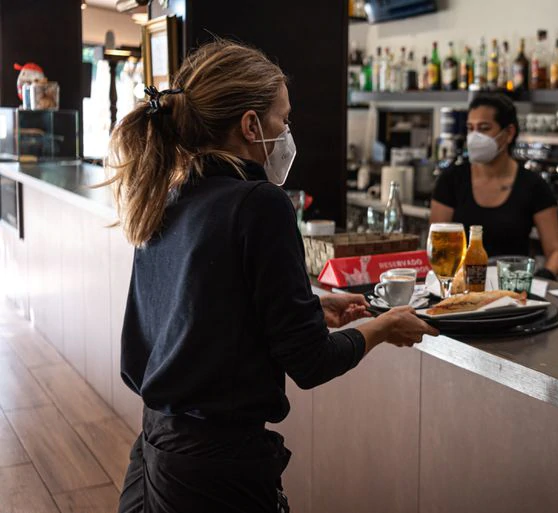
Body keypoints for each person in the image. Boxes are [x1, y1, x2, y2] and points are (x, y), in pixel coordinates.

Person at [106, 40, 438, 513]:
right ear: (250, 124)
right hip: (216, 472)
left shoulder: (168, 194)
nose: (287, 132)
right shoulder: (260, 204)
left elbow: (196, 319)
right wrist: (383, 326)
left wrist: (307, 311)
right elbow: (310, 363)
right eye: (283, 119)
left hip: (156, 448)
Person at [430, 92, 558, 279]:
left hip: (511, 291)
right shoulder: (452, 179)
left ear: (508, 133)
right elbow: (437, 245)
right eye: (471, 128)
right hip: (461, 290)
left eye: (484, 128)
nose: (475, 137)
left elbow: (556, 252)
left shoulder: (533, 185)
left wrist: (542, 279)